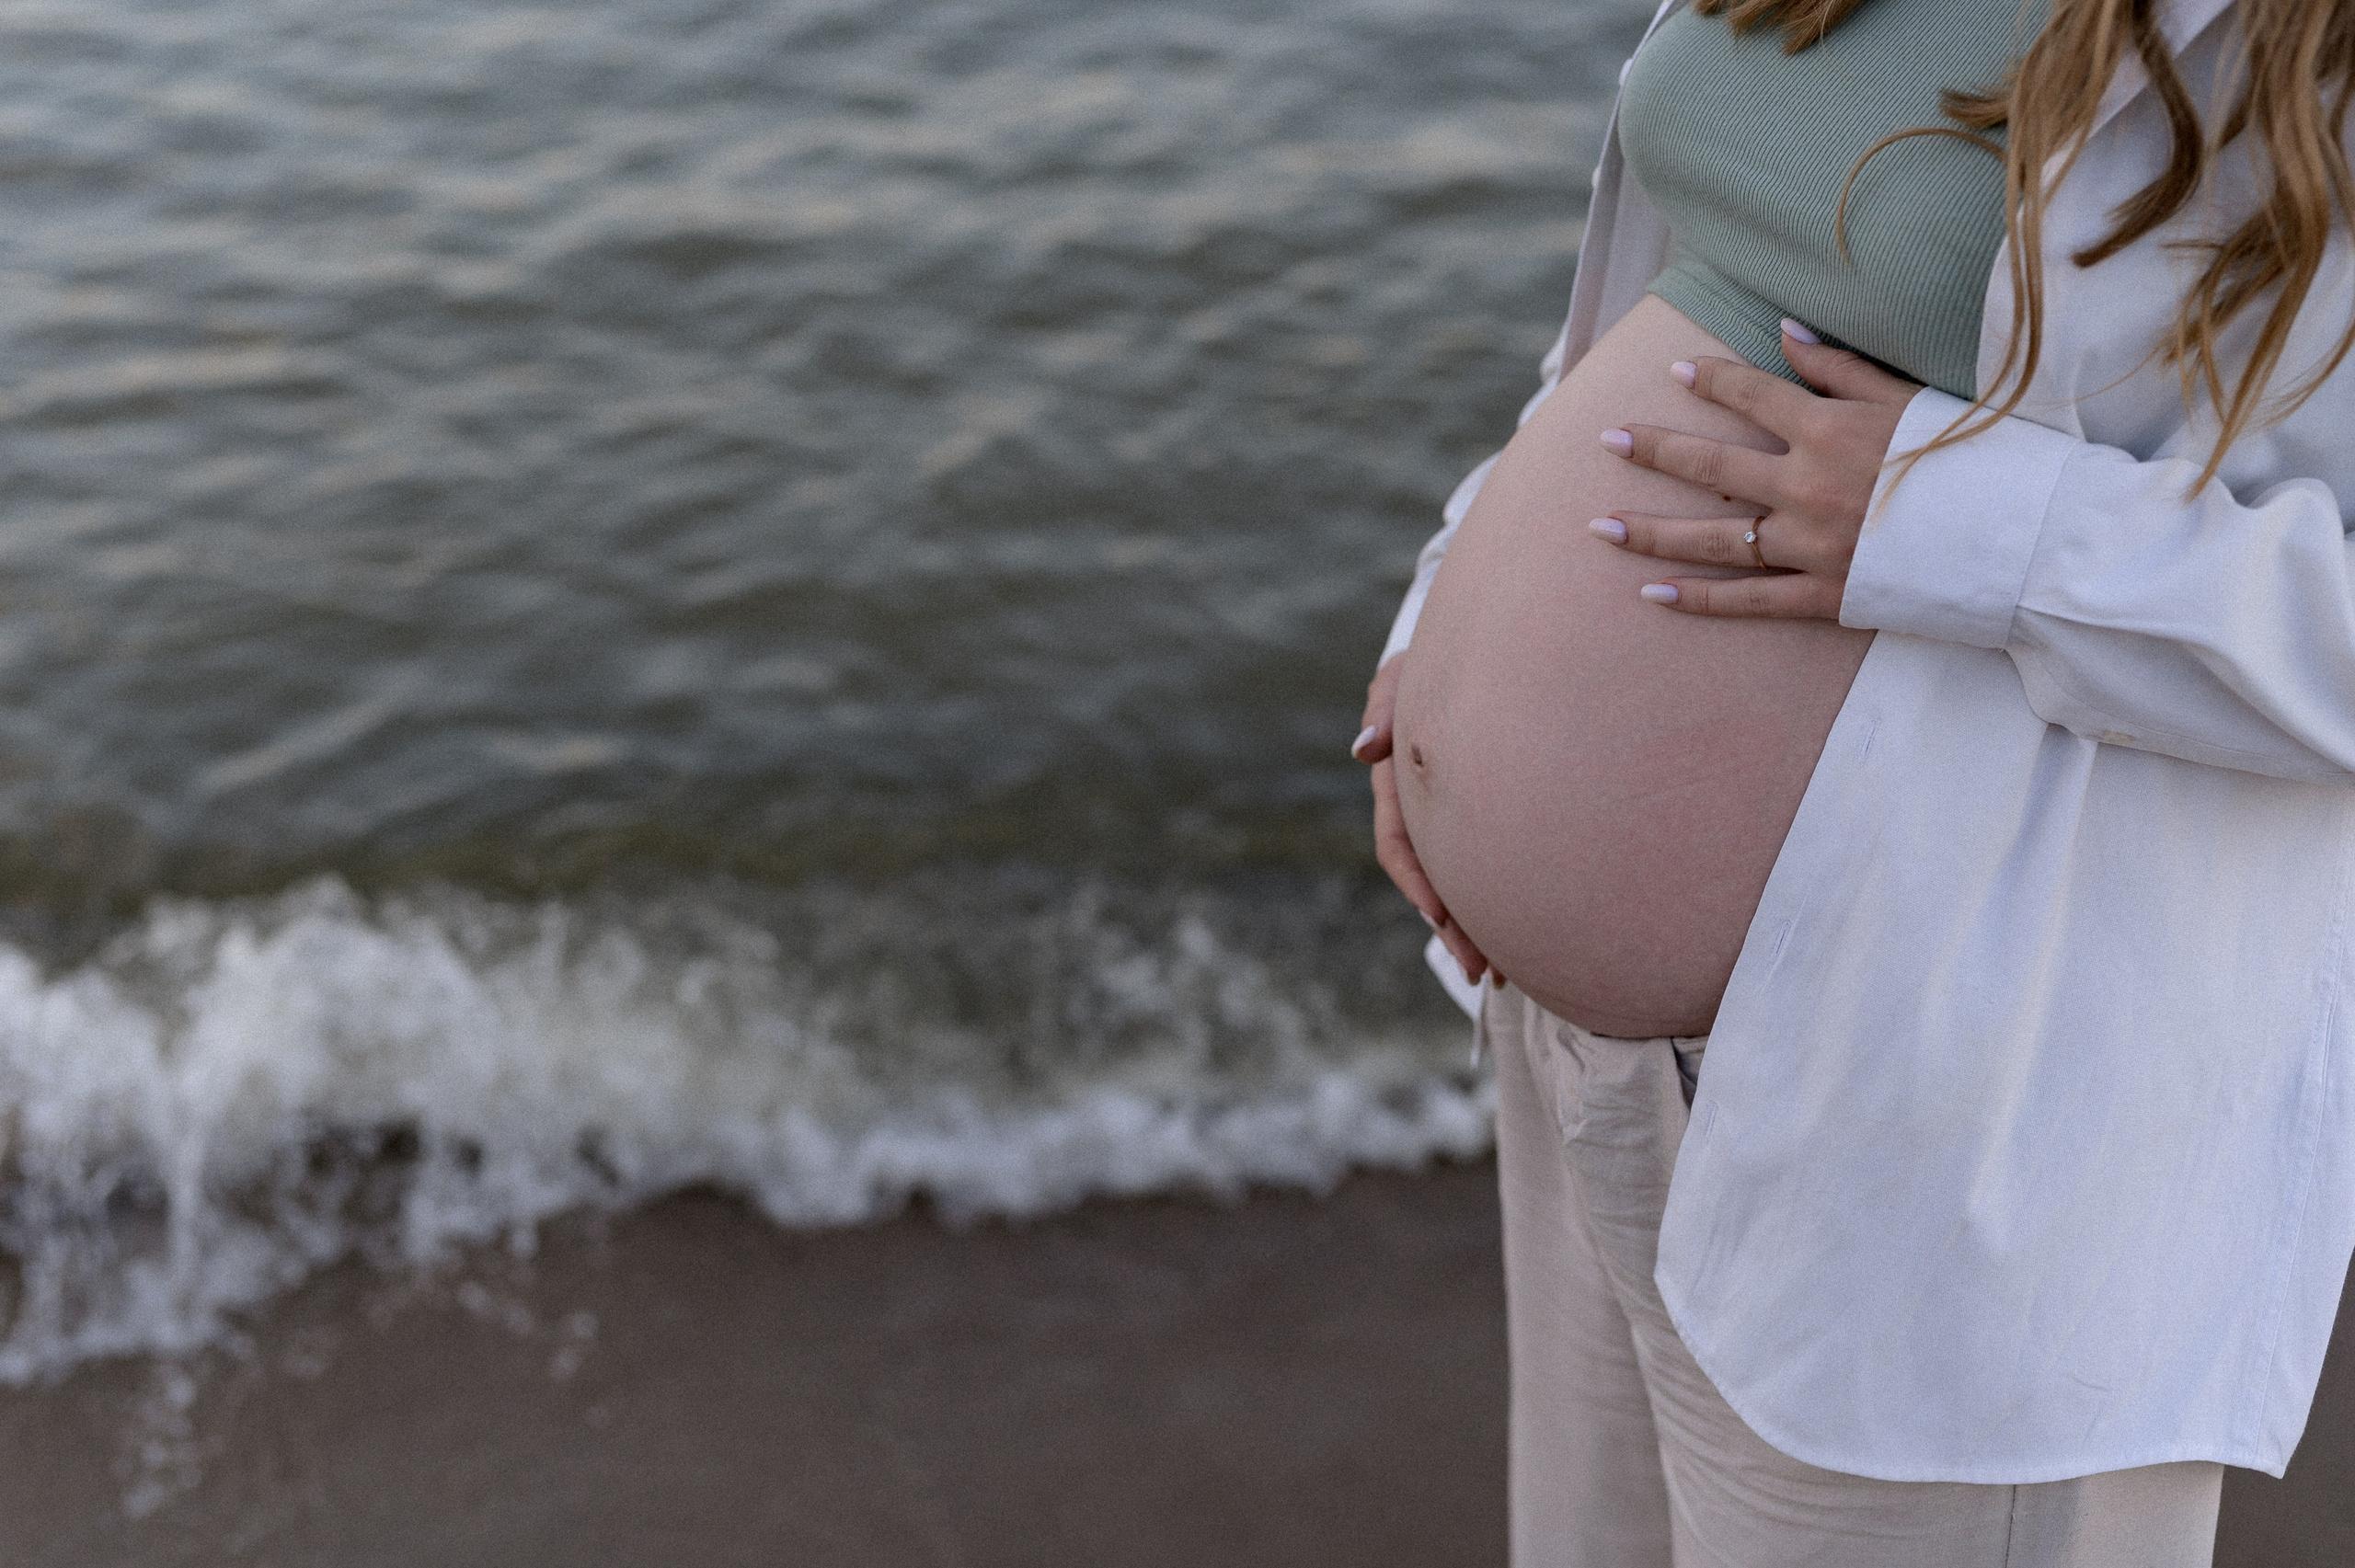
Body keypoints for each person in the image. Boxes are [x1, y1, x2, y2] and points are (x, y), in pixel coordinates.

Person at [1350, 0, 2355, 1562]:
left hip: (1942, 1121)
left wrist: (1969, 522)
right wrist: (1450, 616)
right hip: (1588, 1065)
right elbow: (1707, 283)